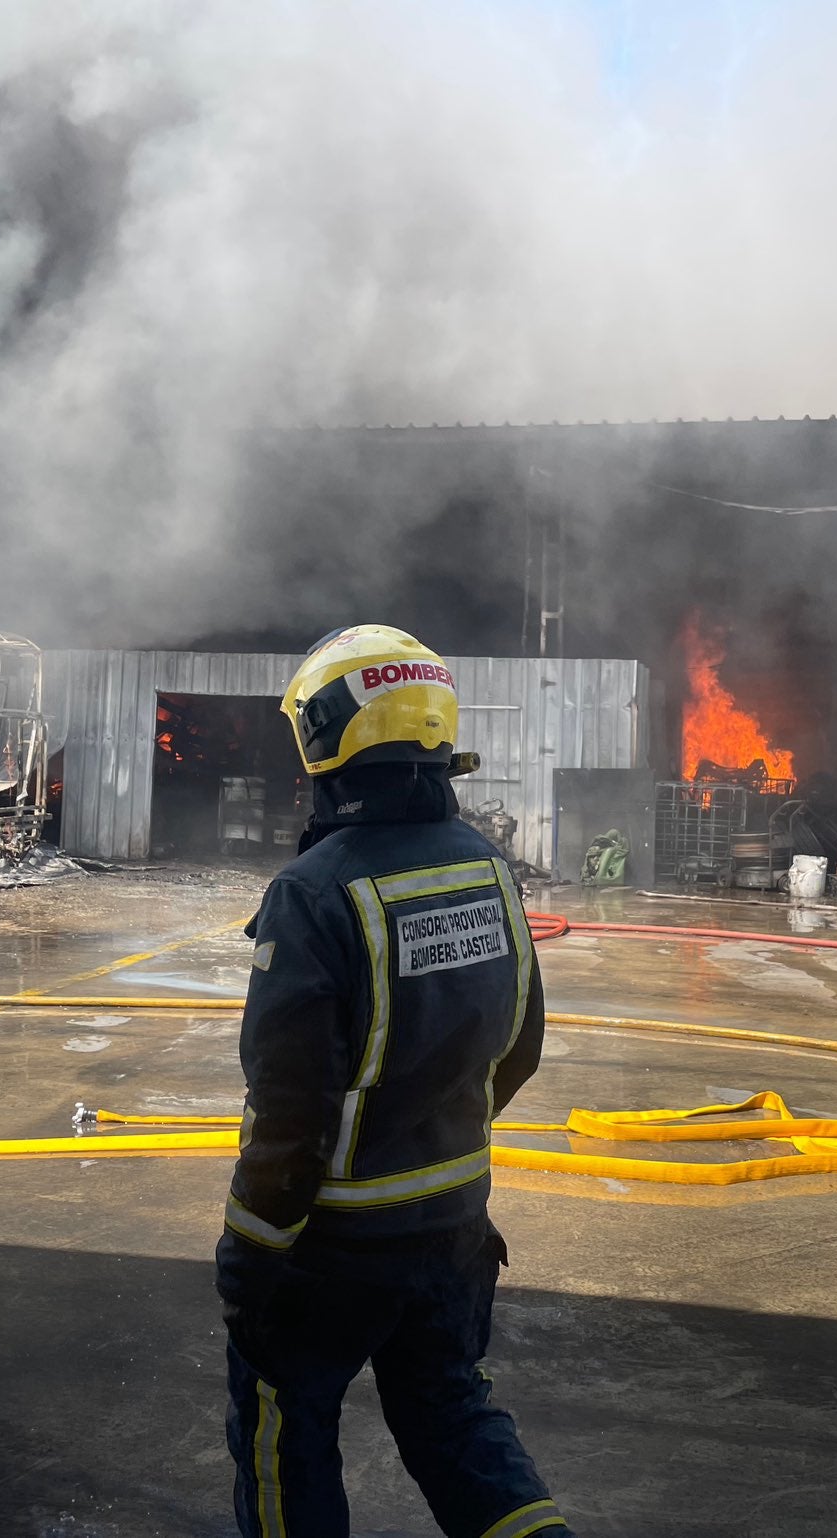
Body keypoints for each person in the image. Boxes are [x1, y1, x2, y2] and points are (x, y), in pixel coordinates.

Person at [216, 624, 572, 1538]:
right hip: (455, 1231)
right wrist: (431, 1135)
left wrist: (254, 1249)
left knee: (285, 1437)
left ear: (328, 733)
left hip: (329, 1249)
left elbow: (288, 1111)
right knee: (454, 1418)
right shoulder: (490, 869)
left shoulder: (311, 893)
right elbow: (520, 1046)